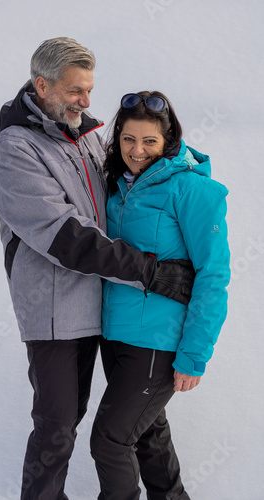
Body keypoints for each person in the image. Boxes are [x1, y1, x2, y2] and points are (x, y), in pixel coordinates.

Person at [0, 39, 195, 500]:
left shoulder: (86, 137)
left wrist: (182, 161)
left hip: (108, 307)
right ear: (42, 86)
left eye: (89, 90)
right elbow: (66, 236)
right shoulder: (14, 150)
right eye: (75, 91)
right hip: (56, 316)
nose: (85, 101)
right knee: (57, 429)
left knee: (145, 423)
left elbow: (142, 158)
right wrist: (148, 270)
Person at [90, 91, 231, 500]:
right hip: (116, 336)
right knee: (148, 436)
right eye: (128, 139)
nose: (137, 151)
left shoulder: (191, 190)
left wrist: (194, 355)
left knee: (110, 442)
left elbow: (213, 276)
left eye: (149, 141)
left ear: (168, 139)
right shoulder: (117, 186)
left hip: (158, 341)